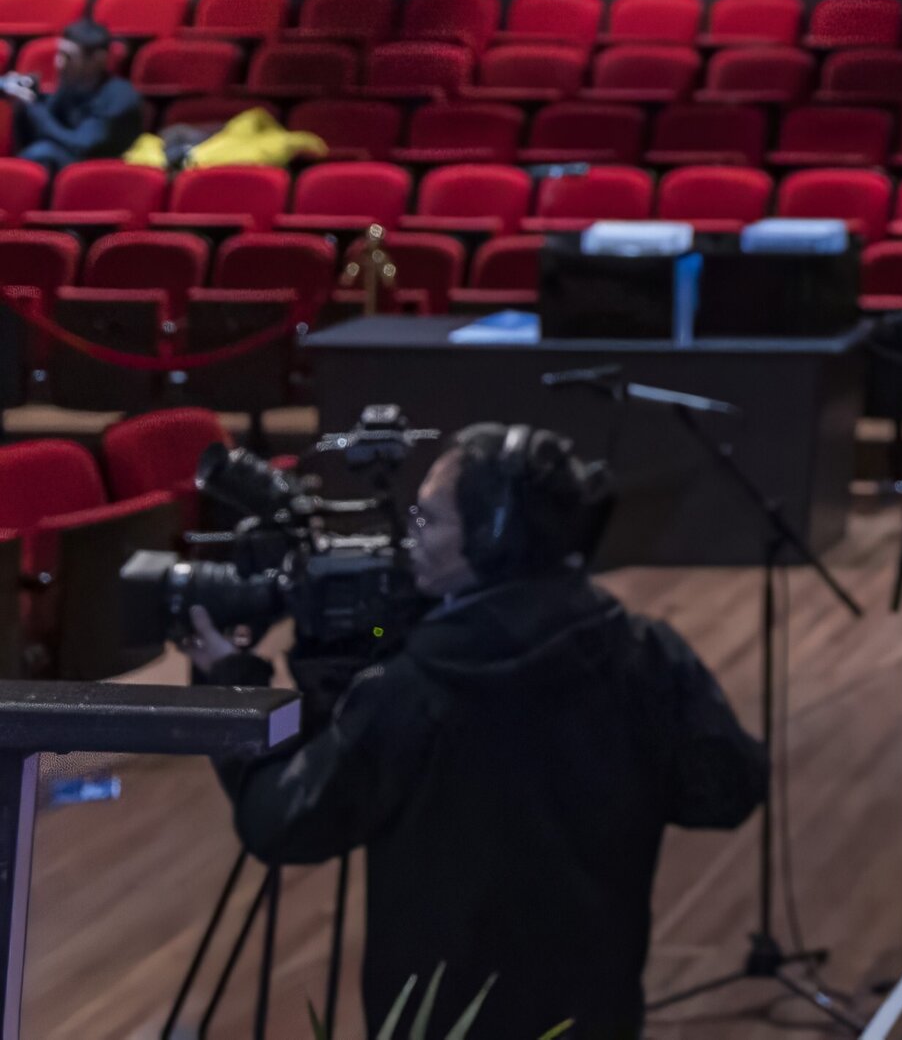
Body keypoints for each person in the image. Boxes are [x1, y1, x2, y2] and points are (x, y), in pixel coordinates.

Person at [190, 424, 766, 1040]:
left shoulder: (412, 692)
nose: (410, 543)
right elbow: (726, 789)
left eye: (431, 522)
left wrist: (235, 690)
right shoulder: (646, 657)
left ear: (493, 538)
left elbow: (280, 823)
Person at [5, 19, 144, 165]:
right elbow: (51, 119)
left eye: (68, 57)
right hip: (72, 159)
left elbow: (81, 145)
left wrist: (34, 108)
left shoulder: (119, 96)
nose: (59, 63)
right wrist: (31, 96)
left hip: (102, 169)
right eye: (59, 54)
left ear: (98, 59)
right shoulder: (72, 84)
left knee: (43, 152)